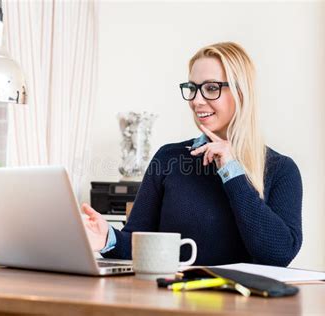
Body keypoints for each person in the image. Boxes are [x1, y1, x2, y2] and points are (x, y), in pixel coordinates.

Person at [82, 42, 303, 267]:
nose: (196, 100)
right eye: (192, 88)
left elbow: (279, 255)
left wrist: (231, 171)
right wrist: (107, 238)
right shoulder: (169, 158)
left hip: (242, 301)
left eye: (211, 88)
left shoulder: (280, 169)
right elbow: (136, 244)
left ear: (240, 93)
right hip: (172, 298)